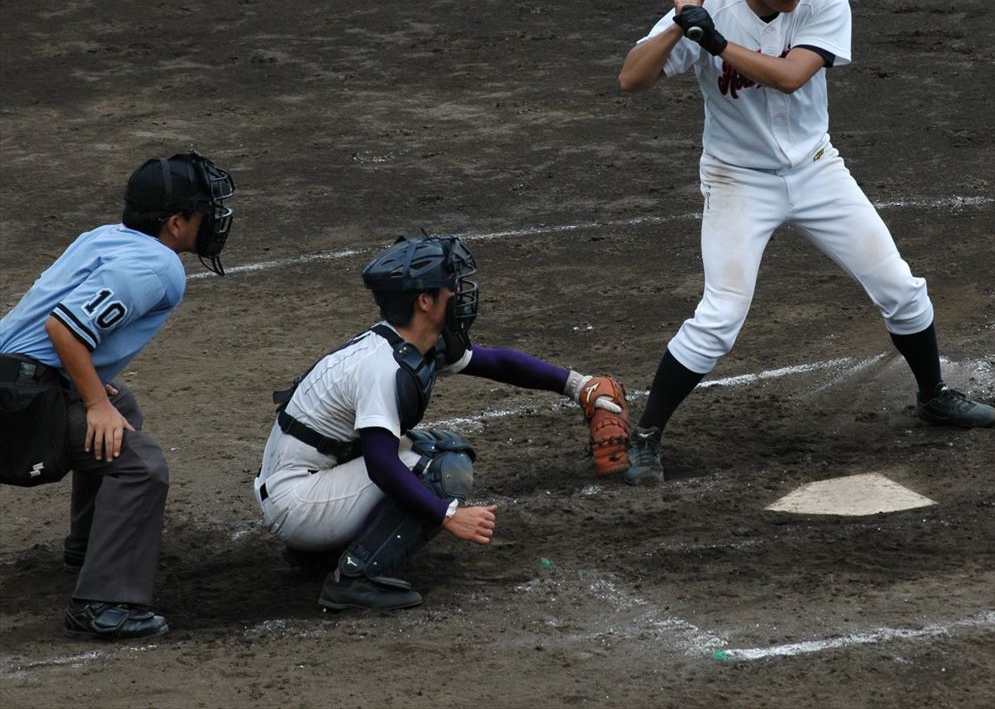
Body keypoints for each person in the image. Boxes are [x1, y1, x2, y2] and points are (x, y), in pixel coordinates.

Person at [616, 0, 995, 486]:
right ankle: (646, 435)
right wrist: (677, 24)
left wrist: (712, 39)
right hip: (738, 180)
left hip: (818, 172)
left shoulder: (825, 0)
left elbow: (790, 75)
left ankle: (933, 395)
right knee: (721, 316)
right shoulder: (708, 6)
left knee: (900, 287)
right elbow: (631, 79)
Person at [255, 233, 628, 612]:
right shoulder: (381, 368)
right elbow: (381, 466)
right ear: (424, 301)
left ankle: (318, 554)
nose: (458, 293)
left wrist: (578, 386)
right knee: (443, 466)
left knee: (427, 449)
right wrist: (447, 515)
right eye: (450, 286)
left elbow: (497, 362)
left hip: (304, 483)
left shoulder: (411, 342)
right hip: (297, 503)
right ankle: (354, 577)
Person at [0, 151, 237, 639]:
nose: (214, 219)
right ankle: (104, 605)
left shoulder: (104, 236)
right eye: (203, 211)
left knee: (120, 405)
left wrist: (88, 388)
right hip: (17, 405)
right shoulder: (158, 267)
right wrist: (92, 401)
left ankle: (90, 548)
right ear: (176, 223)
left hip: (18, 380)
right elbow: (64, 328)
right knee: (141, 464)